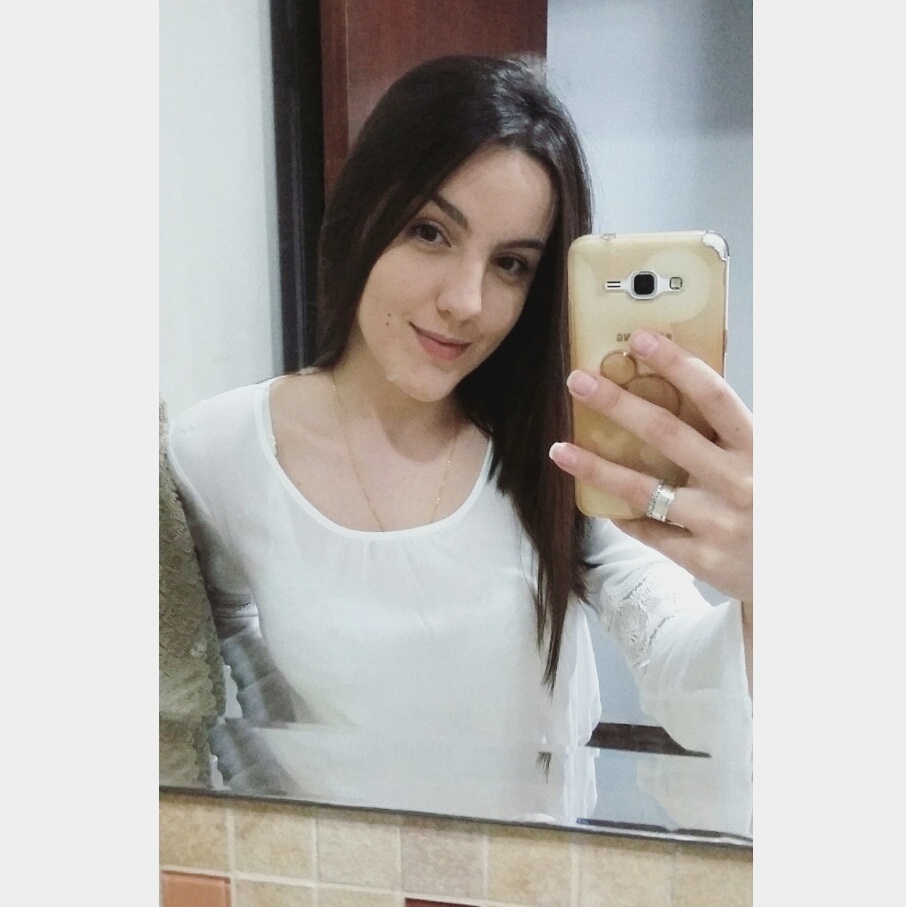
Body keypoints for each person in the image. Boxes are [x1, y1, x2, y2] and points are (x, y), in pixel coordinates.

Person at [167, 55, 752, 822]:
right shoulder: (218, 451)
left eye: (511, 264)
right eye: (430, 232)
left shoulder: (563, 452)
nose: (466, 301)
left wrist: (764, 588)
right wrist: (273, 812)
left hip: (531, 873)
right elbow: (226, 638)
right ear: (363, 211)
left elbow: (688, 679)